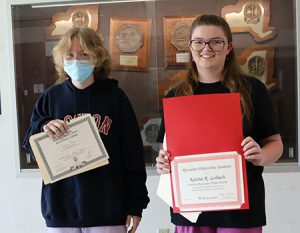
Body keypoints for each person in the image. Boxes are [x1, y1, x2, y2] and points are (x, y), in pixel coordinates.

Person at [155, 14, 283, 233]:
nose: (207, 48)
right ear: (190, 48)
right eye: (199, 42)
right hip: (191, 209)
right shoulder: (176, 95)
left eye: (216, 41)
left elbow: (275, 144)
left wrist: (261, 156)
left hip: (240, 212)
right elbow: (166, 149)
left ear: (229, 47)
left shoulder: (252, 89)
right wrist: (163, 163)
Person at [23, 27, 149, 233]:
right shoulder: (51, 97)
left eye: (84, 53)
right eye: (70, 55)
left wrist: (136, 204)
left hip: (108, 209)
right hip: (61, 208)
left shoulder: (115, 97)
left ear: (97, 57)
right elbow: (29, 145)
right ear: (61, 58)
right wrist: (42, 127)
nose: (76, 59)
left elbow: (133, 155)